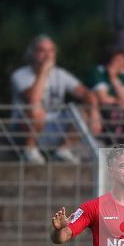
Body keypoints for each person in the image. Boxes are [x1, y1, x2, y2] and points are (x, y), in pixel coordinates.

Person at [11, 35, 102, 164]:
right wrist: (43, 72)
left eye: (51, 51)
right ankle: (29, 151)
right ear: (33, 54)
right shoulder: (20, 74)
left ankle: (63, 150)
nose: (48, 55)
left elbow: (87, 94)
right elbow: (33, 99)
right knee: (36, 110)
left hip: (55, 126)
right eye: (42, 51)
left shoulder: (60, 73)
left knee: (82, 112)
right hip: (24, 131)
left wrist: (94, 112)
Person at [87, 45, 124, 138]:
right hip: (101, 110)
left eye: (123, 59)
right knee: (115, 111)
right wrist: (120, 101)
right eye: (118, 60)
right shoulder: (98, 72)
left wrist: (114, 79)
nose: (123, 63)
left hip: (121, 110)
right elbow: (103, 98)